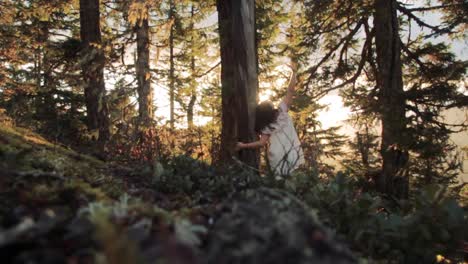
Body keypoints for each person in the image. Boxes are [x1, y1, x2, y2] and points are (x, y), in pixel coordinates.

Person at [235, 64, 305, 177]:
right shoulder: (283, 111)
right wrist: (294, 73)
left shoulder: (266, 126)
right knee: (293, 182)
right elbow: (290, 91)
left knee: (280, 182)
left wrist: (243, 146)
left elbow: (261, 143)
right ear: (271, 109)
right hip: (292, 153)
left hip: (277, 157)